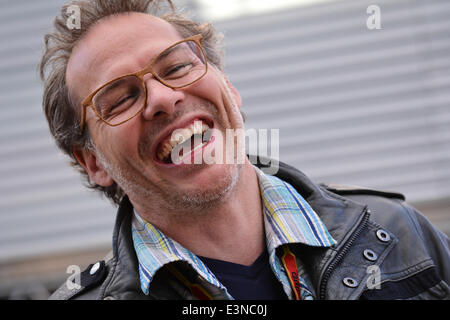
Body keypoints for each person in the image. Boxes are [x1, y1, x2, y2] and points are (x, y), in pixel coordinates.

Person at [41, 0, 449, 300]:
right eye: (120, 99)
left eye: (177, 66)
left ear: (229, 88)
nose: (163, 98)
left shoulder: (398, 231)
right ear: (94, 162)